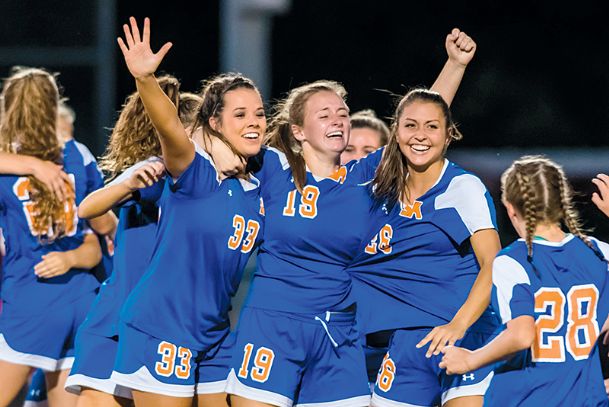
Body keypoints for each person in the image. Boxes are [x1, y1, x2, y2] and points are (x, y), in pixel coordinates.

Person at [111, 17, 265, 407]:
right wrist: (145, 80)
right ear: (214, 123)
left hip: (214, 331)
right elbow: (169, 128)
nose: (254, 123)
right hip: (162, 327)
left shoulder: (262, 185)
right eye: (240, 114)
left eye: (259, 114)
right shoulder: (196, 174)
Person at [346, 88, 501, 407]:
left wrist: (457, 325)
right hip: (407, 343)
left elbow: (493, 264)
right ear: (396, 133)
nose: (420, 135)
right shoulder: (377, 190)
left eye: (432, 126)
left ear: (449, 135)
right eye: (410, 125)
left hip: (467, 336)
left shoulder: (462, 188)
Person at [440, 155, 609, 406]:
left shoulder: (513, 261)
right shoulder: (599, 253)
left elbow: (521, 335)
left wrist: (470, 359)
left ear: (509, 207)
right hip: (586, 399)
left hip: (528, 397)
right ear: (562, 203)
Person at [65, 75, 181, 407]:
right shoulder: (155, 171)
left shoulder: (211, 181)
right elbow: (89, 207)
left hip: (166, 325)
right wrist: (127, 182)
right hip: (117, 322)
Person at [0, 66, 104, 407]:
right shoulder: (80, 155)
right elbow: (100, 234)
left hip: (31, 299)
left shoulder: (7, 165)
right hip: (81, 301)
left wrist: (29, 165)